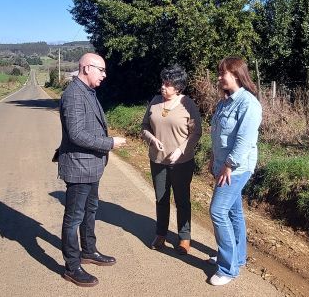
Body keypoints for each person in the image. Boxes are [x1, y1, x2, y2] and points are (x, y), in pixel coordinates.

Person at [56, 53, 126, 287]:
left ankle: (89, 250)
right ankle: (72, 266)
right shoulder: (74, 95)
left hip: (91, 166)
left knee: (90, 210)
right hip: (78, 166)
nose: (105, 75)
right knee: (74, 217)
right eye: (101, 70)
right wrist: (110, 143)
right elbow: (76, 134)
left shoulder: (88, 92)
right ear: (86, 68)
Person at [207, 56, 262, 286]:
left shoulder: (249, 104)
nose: (219, 78)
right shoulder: (224, 102)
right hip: (223, 166)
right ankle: (237, 258)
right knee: (233, 212)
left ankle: (228, 268)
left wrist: (228, 165)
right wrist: (213, 158)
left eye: (223, 74)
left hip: (236, 168)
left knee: (217, 211)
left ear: (237, 75)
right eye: (219, 74)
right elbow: (217, 133)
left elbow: (244, 140)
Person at [140, 65, 201, 255]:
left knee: (182, 200)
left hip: (182, 163)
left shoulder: (187, 104)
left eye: (168, 84)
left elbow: (196, 132)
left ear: (178, 87)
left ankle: (184, 237)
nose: (163, 87)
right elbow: (144, 126)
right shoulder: (155, 101)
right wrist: (151, 139)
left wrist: (181, 150)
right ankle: (161, 234)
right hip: (157, 160)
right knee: (161, 198)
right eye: (163, 83)